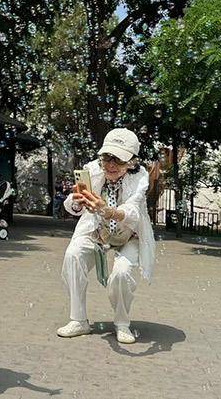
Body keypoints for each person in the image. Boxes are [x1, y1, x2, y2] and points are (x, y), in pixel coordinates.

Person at [56, 128, 155, 344]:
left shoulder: (140, 177)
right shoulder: (92, 170)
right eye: (107, 157)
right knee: (73, 255)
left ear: (131, 162)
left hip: (129, 233)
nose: (111, 164)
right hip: (98, 230)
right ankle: (79, 320)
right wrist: (76, 201)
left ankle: (122, 323)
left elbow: (132, 212)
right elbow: (74, 207)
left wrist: (107, 210)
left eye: (118, 160)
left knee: (121, 273)